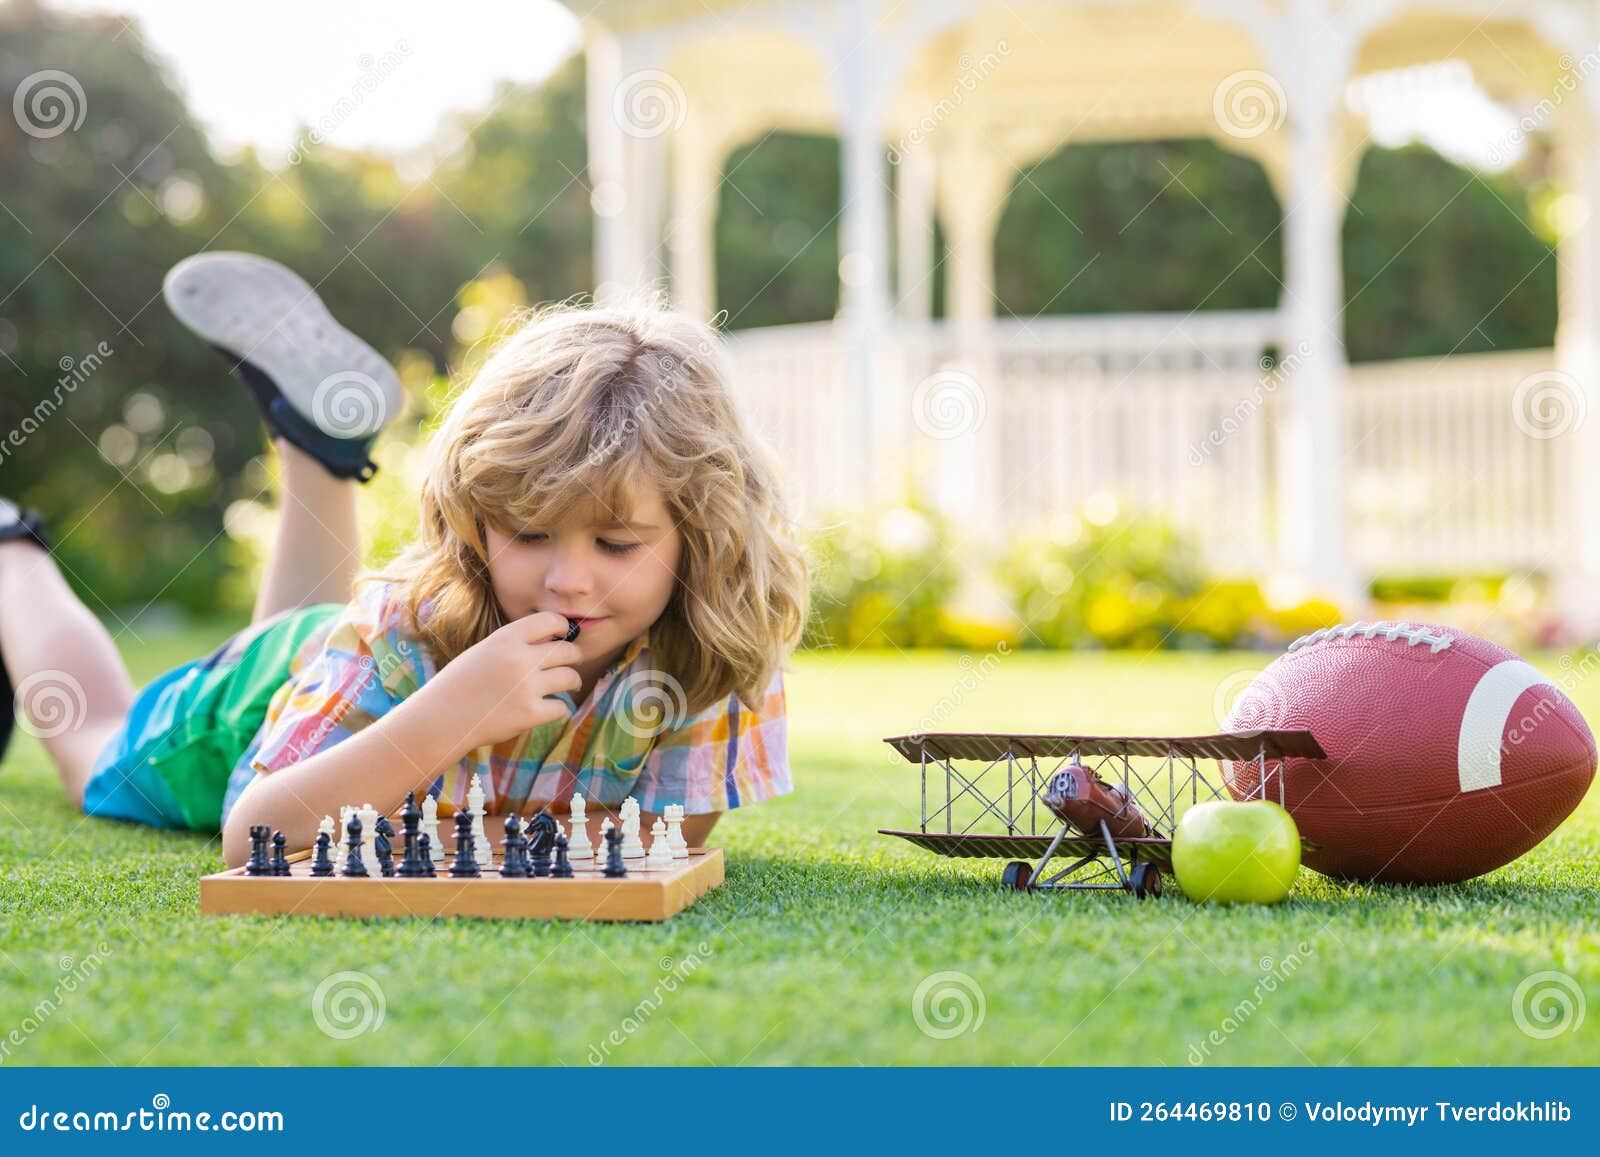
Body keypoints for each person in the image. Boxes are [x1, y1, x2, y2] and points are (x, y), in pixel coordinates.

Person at [0, 252, 808, 868]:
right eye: (528, 535)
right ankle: (13, 554)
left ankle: (317, 444)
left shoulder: (716, 637)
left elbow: (672, 836)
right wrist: (454, 708)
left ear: (699, 533)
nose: (569, 581)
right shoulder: (406, 627)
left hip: (335, 666)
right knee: (92, 743)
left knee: (311, 630)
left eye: (617, 545)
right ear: (474, 522)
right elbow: (256, 834)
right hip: (269, 694)